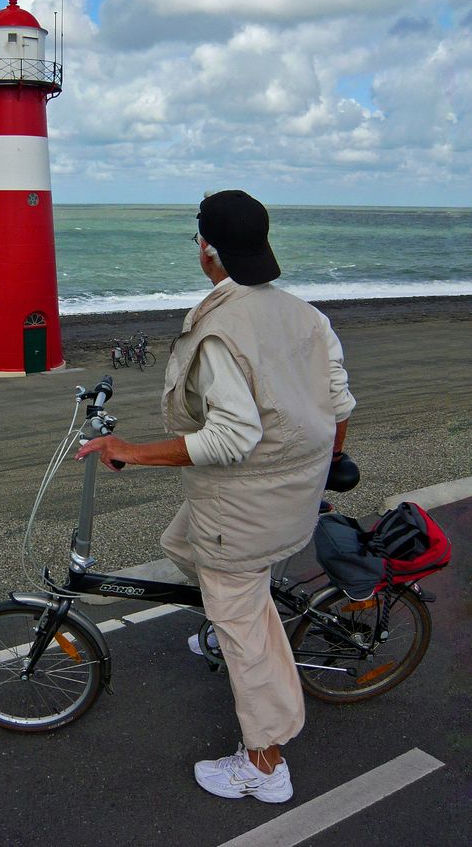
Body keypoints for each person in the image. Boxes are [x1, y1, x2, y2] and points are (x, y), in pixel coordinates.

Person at [75, 189, 355, 804]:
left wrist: (131, 451)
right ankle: (237, 619)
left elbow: (231, 437)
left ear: (207, 251)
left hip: (248, 505)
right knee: (179, 542)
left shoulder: (221, 330)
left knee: (244, 630)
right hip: (290, 494)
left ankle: (264, 764)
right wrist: (323, 468)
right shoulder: (306, 315)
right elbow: (339, 407)